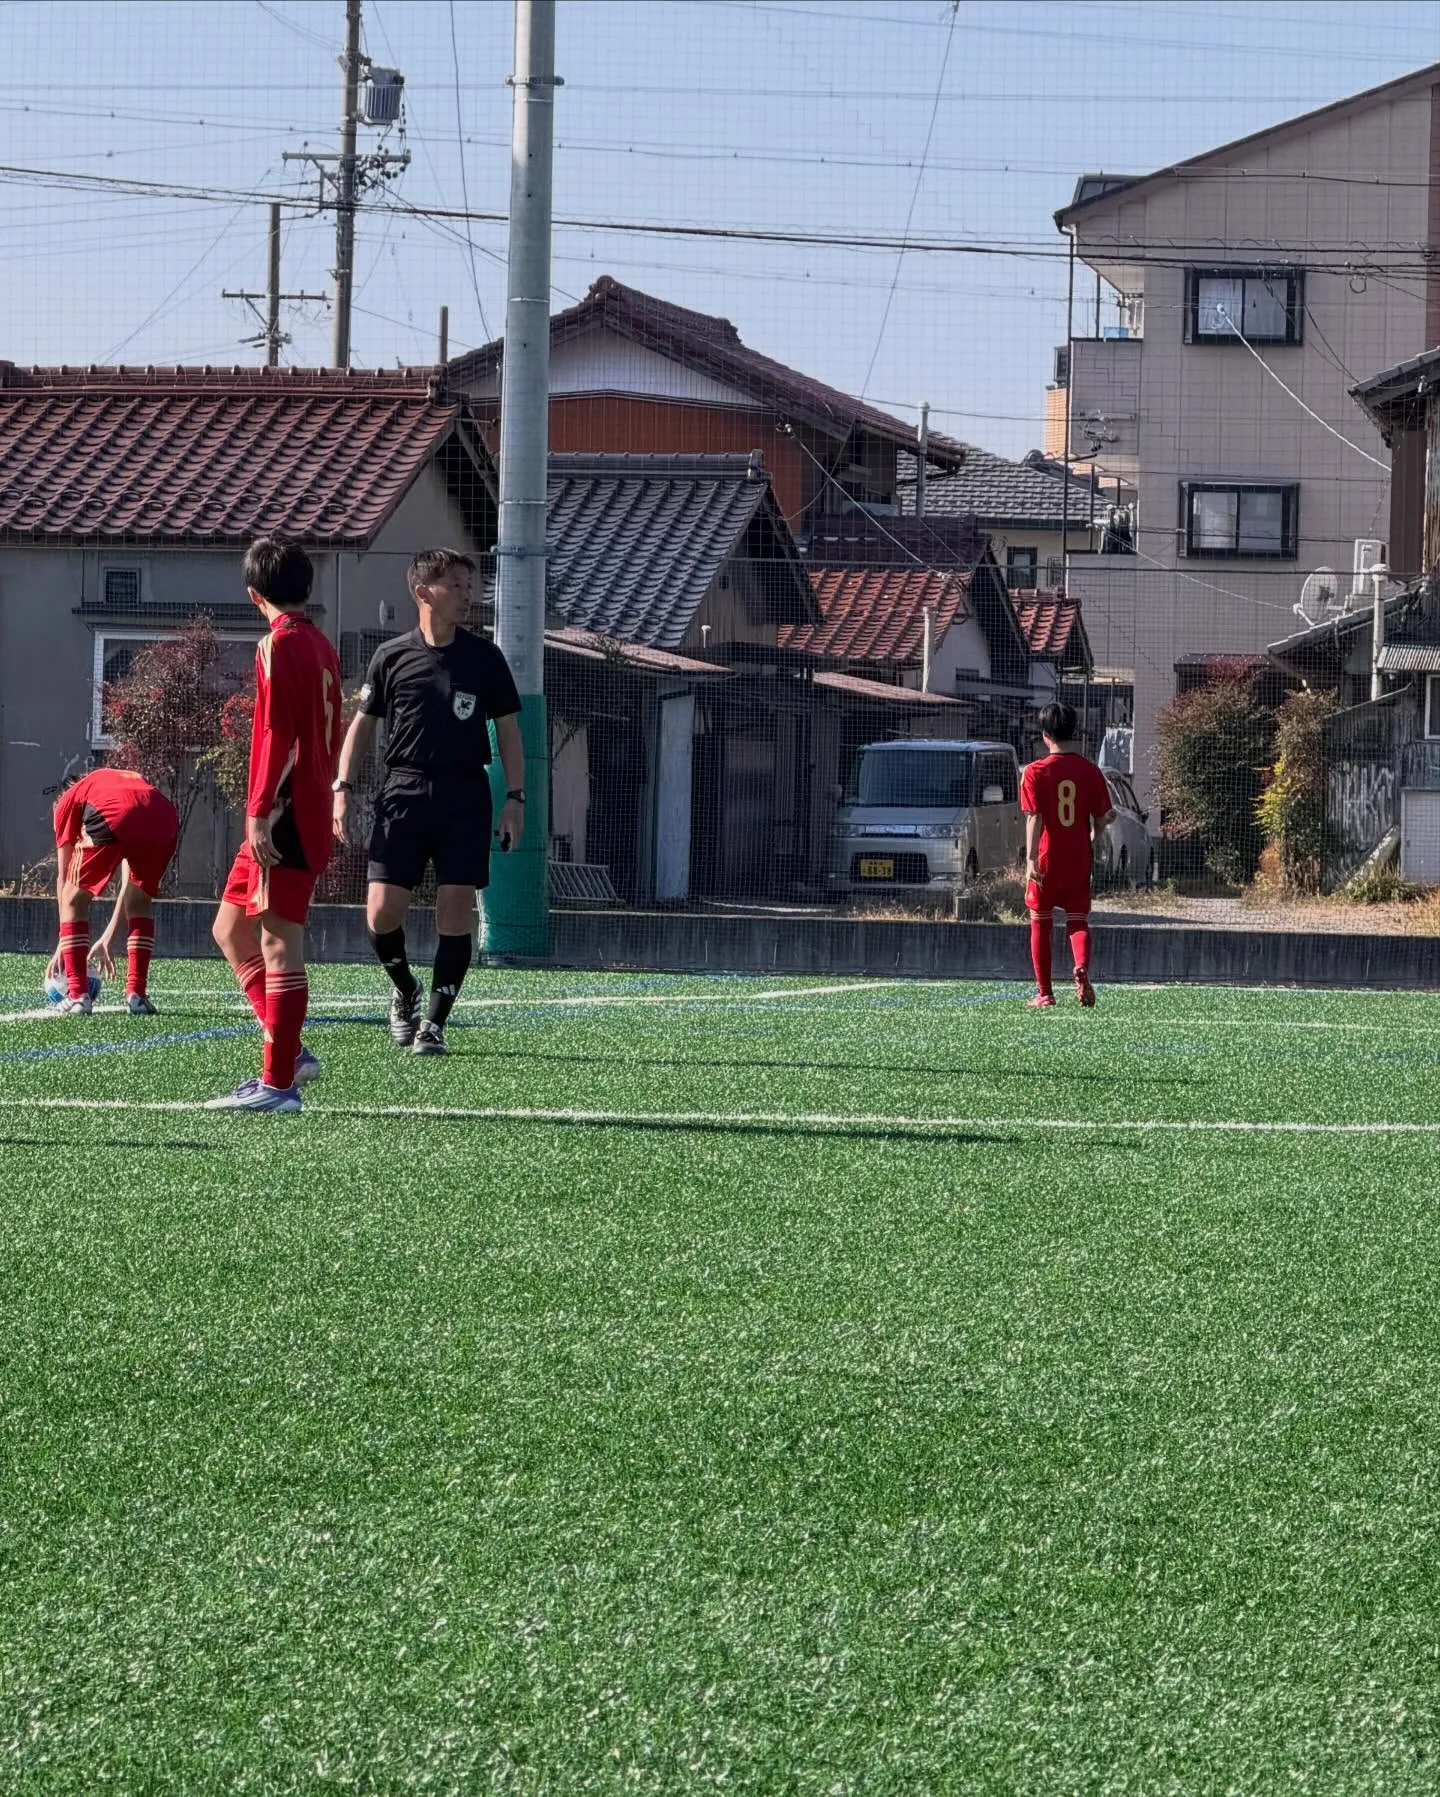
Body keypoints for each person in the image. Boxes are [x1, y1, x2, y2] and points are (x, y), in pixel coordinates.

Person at [332, 548, 525, 1057]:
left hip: (465, 794)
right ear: (424, 593)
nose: (468, 594)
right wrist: (343, 790)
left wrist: (515, 799)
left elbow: (508, 730)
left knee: (454, 911)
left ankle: (434, 1024)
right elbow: (363, 726)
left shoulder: (485, 658)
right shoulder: (391, 656)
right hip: (403, 793)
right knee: (381, 913)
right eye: (456, 586)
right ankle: (405, 989)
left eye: (470, 585)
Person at [206, 538, 342, 1112]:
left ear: (253, 595)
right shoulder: (321, 645)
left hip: (284, 812)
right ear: (307, 589)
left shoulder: (277, 645)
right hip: (301, 806)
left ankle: (278, 1083)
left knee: (278, 942)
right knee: (230, 931)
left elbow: (275, 737)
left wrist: (259, 810)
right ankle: (290, 1053)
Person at [45, 767, 179, 1015]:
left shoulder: (67, 801)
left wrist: (63, 943)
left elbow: (64, 878)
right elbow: (130, 886)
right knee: (140, 902)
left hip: (117, 815)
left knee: (73, 900)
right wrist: (108, 936)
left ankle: (77, 996)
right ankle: (136, 995)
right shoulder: (111, 784)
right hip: (164, 817)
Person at [1020, 701, 1114, 1009]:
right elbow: (1101, 819)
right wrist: (1094, 836)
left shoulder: (1034, 771)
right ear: (1074, 732)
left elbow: (1034, 816)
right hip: (1077, 858)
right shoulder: (1090, 771)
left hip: (1046, 857)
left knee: (1040, 922)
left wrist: (1031, 858)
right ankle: (1081, 965)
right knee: (1078, 921)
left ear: (1045, 735)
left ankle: (1045, 993)